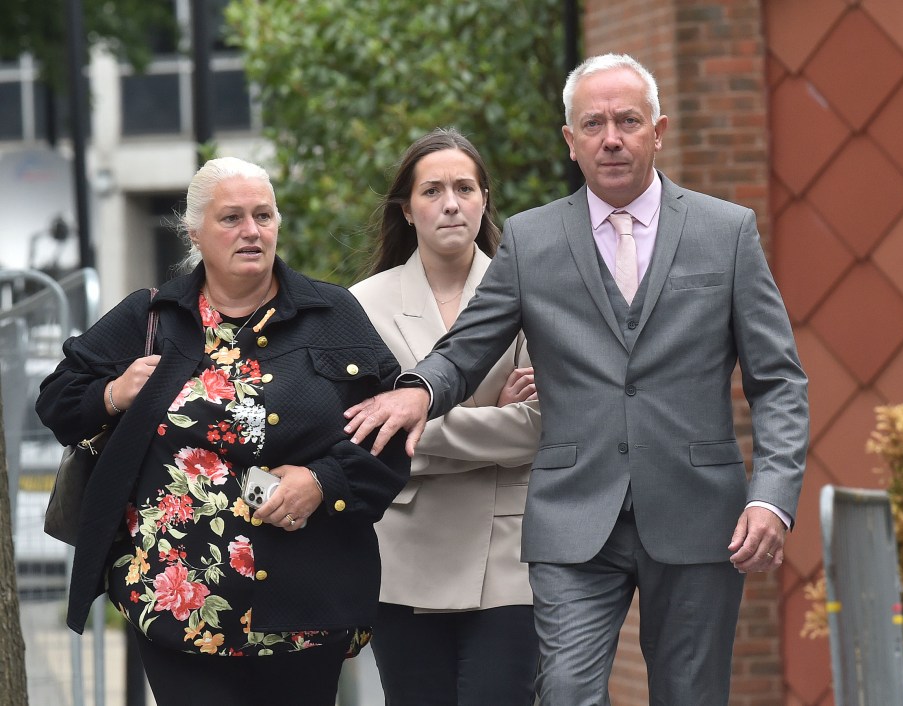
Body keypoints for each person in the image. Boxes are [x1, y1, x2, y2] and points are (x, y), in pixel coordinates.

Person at [343, 54, 809, 705]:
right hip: (572, 514)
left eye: (627, 121)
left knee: (691, 694)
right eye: (593, 123)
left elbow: (779, 381)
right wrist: (418, 389)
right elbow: (466, 348)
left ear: (659, 130)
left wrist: (772, 496)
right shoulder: (533, 241)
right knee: (564, 690)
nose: (611, 137)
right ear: (570, 139)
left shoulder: (725, 233)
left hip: (700, 509)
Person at [36, 157, 410, 706]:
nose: (251, 231)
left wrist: (323, 483)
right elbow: (56, 399)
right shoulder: (152, 316)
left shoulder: (334, 314)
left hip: (305, 606)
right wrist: (113, 394)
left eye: (263, 215)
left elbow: (391, 434)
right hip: (177, 605)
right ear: (195, 232)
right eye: (231, 218)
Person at [349, 127, 541, 705]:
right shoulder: (363, 304)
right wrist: (492, 420)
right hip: (404, 555)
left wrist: (412, 429)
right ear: (407, 209)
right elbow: (361, 436)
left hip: (510, 551)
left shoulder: (533, 293)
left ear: (485, 199)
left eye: (464, 187)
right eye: (432, 190)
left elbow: (539, 428)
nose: (450, 203)